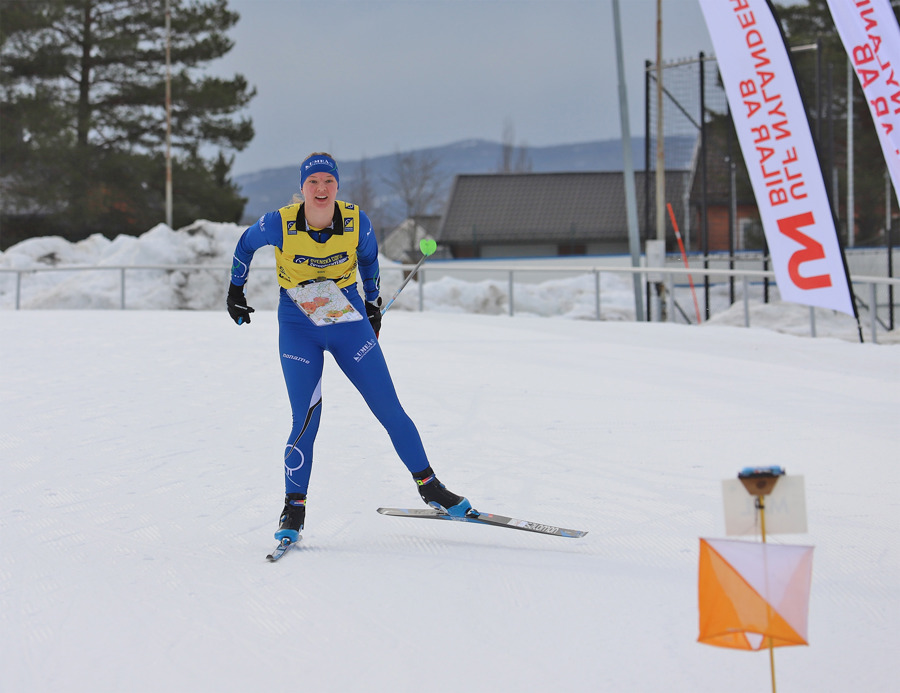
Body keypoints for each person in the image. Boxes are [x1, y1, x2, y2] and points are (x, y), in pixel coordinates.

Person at [227, 152, 472, 544]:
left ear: (337, 186)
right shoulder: (279, 222)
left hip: (348, 322)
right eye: (313, 183)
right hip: (298, 327)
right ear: (302, 188)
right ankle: (294, 506)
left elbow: (370, 261)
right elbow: (243, 245)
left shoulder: (357, 221)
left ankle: (430, 486)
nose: (321, 189)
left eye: (328, 182)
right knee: (305, 417)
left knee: (388, 407)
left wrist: (373, 305)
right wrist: (234, 292)